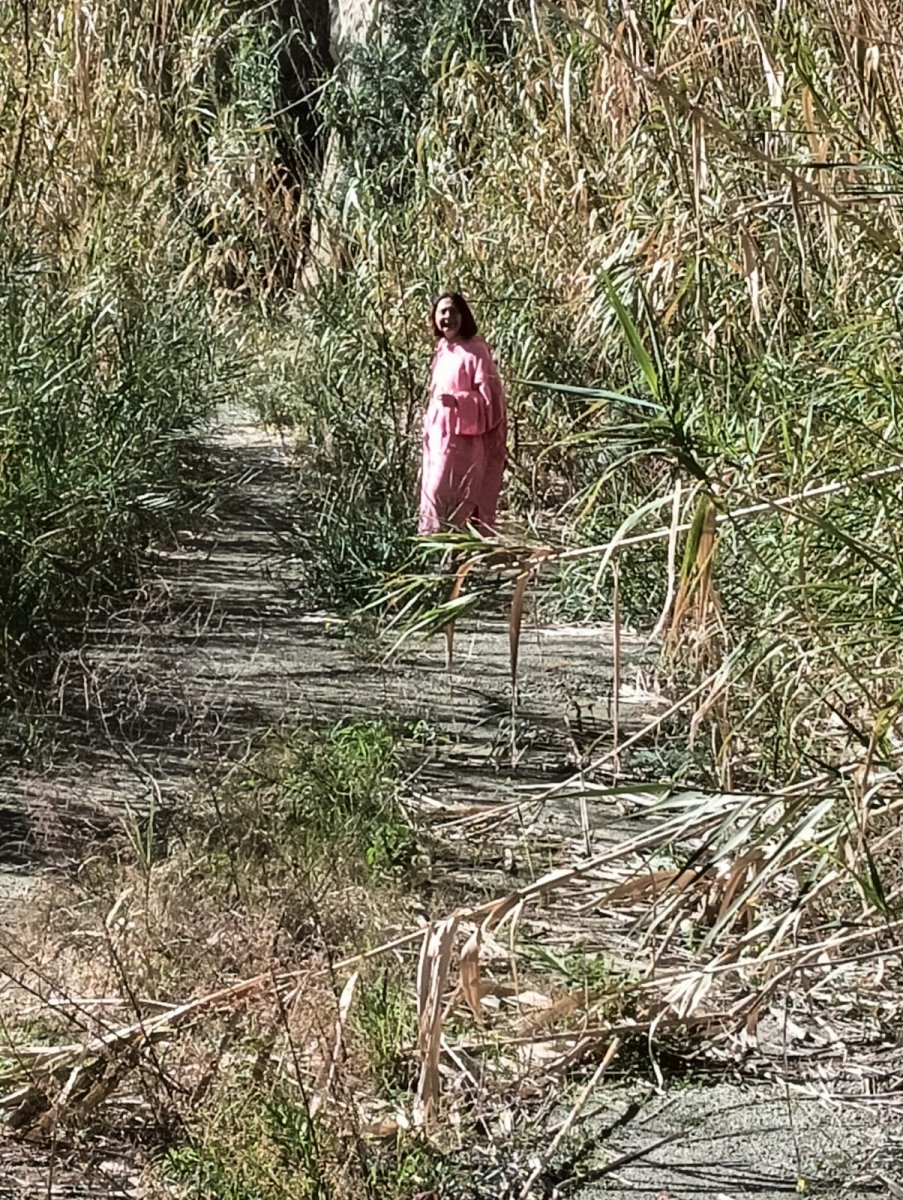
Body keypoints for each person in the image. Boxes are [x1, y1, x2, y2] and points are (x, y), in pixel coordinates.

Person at [418, 292, 507, 536]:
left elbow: (493, 402)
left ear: (463, 315)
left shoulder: (477, 350)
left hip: (465, 445)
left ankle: (459, 557)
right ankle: (435, 554)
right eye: (442, 312)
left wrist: (458, 404)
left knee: (451, 495)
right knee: (433, 493)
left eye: (453, 311)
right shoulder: (443, 349)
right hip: (438, 440)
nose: (447, 317)